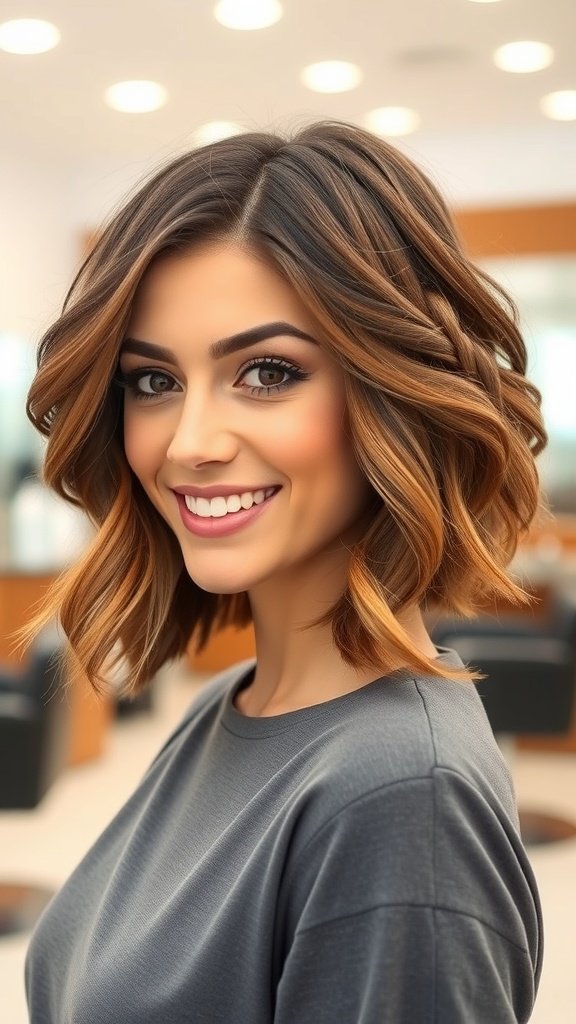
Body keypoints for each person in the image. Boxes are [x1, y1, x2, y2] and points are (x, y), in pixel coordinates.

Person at [22, 120, 545, 1023]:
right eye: (154, 382)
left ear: (392, 390)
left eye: (266, 372)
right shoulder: (222, 710)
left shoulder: (399, 798)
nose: (189, 443)